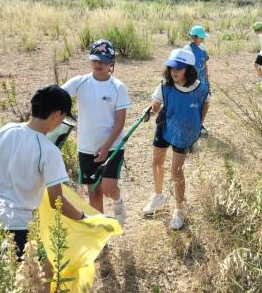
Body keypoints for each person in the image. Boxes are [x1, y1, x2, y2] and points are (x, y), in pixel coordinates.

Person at [0, 85, 85, 258]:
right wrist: (83, 218)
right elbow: (57, 201)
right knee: (21, 278)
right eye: (63, 116)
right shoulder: (49, 150)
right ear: (57, 115)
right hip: (15, 224)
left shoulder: (6, 129)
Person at [61, 39, 131, 223]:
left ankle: (118, 201)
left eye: (103, 60)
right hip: (86, 147)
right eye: (95, 59)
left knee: (108, 188)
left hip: (112, 146)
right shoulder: (80, 82)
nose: (98, 64)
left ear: (111, 63)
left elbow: (120, 121)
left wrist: (106, 146)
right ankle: (99, 231)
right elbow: (58, 94)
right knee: (94, 192)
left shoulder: (118, 87)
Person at [143, 48, 210, 230]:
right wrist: (149, 112)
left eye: (179, 69)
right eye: (172, 67)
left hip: (184, 131)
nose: (174, 72)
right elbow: (156, 106)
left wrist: (198, 126)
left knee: (176, 170)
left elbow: (205, 105)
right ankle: (158, 196)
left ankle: (179, 209)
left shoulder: (200, 88)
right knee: (157, 161)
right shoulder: (164, 85)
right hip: (165, 125)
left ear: (188, 69)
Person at [185, 25, 211, 136]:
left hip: (203, 81)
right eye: (201, 37)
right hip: (191, 82)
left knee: (205, 102)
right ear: (193, 37)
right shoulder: (187, 49)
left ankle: (199, 125)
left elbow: (205, 65)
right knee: (192, 104)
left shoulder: (203, 48)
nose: (203, 39)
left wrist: (207, 80)